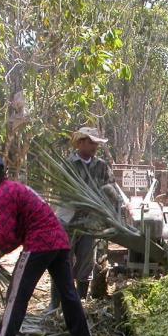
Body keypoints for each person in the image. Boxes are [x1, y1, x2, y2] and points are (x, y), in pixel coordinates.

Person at [0, 155, 92, 336]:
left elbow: (5, 235)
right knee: (68, 293)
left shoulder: (3, 195)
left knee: (17, 295)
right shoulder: (14, 188)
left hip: (40, 244)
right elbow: (16, 234)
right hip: (59, 241)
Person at [51, 127, 119, 307]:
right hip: (68, 220)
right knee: (62, 261)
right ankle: (55, 304)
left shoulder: (102, 166)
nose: (95, 146)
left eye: (96, 143)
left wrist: (113, 207)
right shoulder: (67, 165)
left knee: (86, 262)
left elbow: (111, 189)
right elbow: (62, 192)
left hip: (90, 223)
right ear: (80, 142)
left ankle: (80, 303)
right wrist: (84, 199)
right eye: (91, 142)